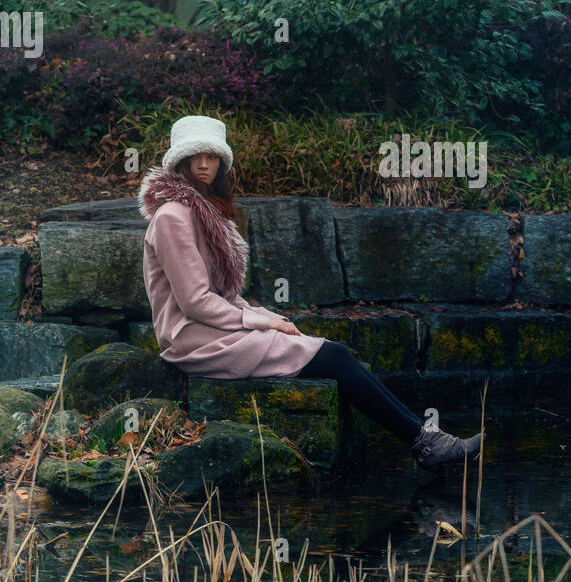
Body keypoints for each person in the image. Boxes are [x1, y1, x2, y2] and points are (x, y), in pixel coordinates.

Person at [138, 114, 482, 472]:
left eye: (211, 157)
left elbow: (224, 294)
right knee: (334, 356)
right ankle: (426, 444)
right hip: (192, 338)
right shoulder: (172, 217)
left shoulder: (208, 213)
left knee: (334, 354)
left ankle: (426, 441)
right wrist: (261, 320)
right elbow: (195, 301)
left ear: (222, 162)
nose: (203, 165)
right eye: (195, 158)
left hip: (212, 327)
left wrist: (267, 319)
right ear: (179, 161)